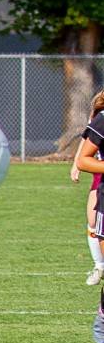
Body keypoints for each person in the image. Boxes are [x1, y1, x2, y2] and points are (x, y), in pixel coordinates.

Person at [70, 88, 104, 285]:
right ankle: (99, 265)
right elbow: (87, 143)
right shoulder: (100, 119)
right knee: (93, 219)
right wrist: (77, 164)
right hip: (100, 173)